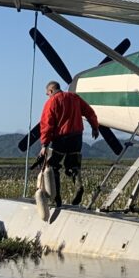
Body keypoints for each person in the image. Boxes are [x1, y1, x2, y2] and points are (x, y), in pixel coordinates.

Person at [34, 80, 100, 219]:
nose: (47, 96)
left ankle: (57, 197)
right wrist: (95, 127)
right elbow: (89, 112)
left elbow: (47, 124)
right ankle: (79, 186)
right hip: (77, 137)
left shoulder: (52, 102)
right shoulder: (74, 97)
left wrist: (44, 144)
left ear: (51, 91)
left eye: (47, 93)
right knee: (73, 165)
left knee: (52, 166)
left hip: (61, 138)